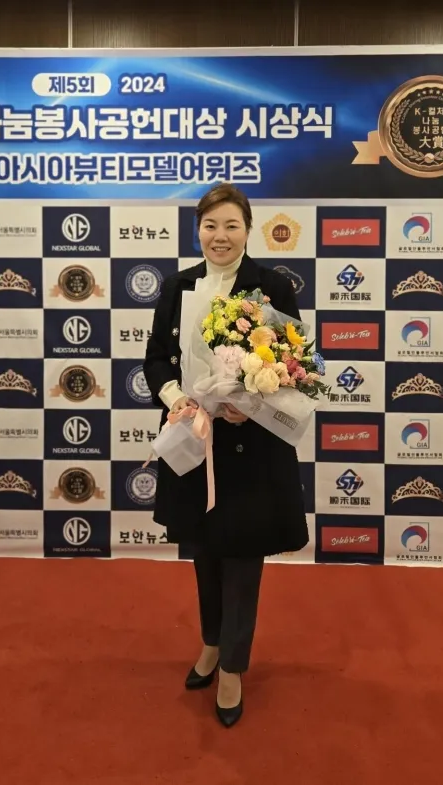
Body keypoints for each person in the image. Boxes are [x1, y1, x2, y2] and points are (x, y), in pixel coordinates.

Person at [143, 183, 309, 728]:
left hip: (251, 447)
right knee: (205, 552)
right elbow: (156, 359)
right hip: (195, 437)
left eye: (231, 225)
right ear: (198, 231)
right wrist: (177, 398)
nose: (221, 236)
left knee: (242, 558)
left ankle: (233, 667)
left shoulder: (272, 286)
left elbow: (293, 365)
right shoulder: (178, 285)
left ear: (247, 230)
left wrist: (250, 405)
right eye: (211, 225)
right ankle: (212, 643)